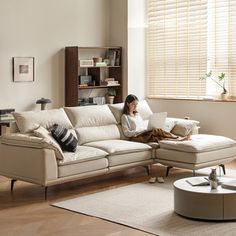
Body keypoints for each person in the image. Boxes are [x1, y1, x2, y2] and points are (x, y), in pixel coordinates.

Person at [121, 94, 190, 143]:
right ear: (127, 104)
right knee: (157, 130)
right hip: (135, 137)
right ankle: (178, 138)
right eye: (133, 104)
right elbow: (126, 133)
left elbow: (141, 126)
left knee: (157, 137)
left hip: (143, 134)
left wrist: (146, 129)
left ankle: (178, 139)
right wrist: (138, 132)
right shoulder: (125, 117)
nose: (135, 106)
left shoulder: (137, 115)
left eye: (136, 104)